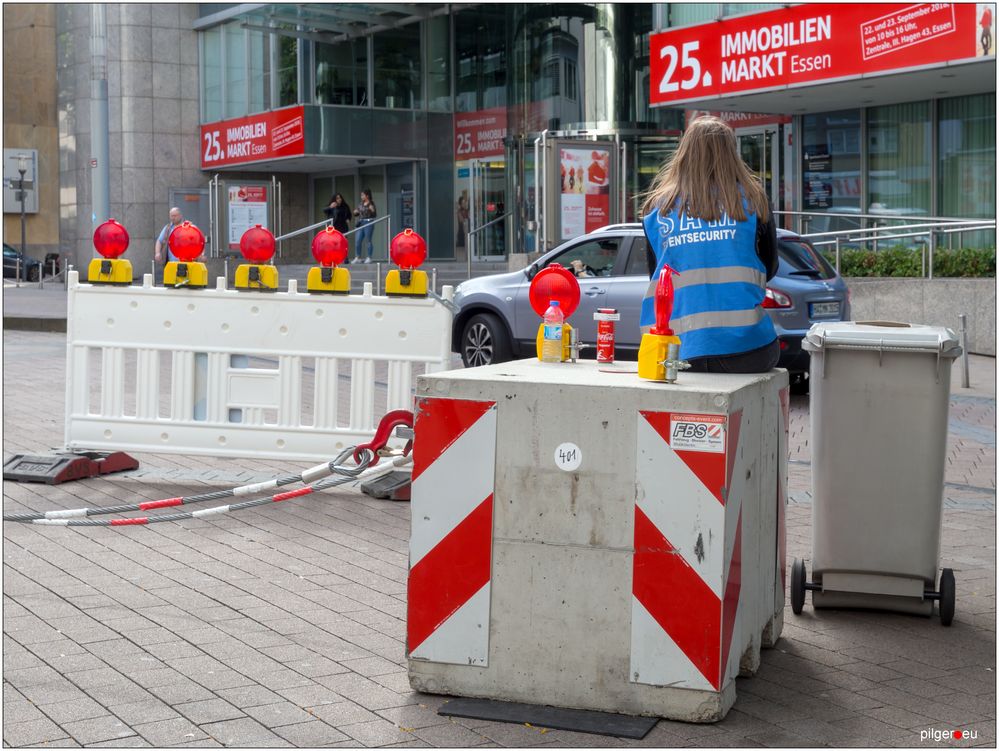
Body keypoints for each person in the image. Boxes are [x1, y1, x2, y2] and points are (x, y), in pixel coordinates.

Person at [639, 115, 779, 374]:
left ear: (684, 152)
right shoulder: (754, 201)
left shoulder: (657, 210)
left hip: (676, 352)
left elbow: (659, 281)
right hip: (749, 350)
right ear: (731, 154)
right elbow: (770, 268)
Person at [352, 188, 377, 264]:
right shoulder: (361, 204)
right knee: (358, 240)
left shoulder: (371, 204)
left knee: (368, 240)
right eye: (361, 195)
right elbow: (357, 213)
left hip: (368, 222)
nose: (361, 196)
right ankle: (357, 257)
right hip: (361, 222)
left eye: (363, 195)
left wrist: (372, 210)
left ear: (367, 196)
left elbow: (374, 214)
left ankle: (369, 257)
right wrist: (355, 212)